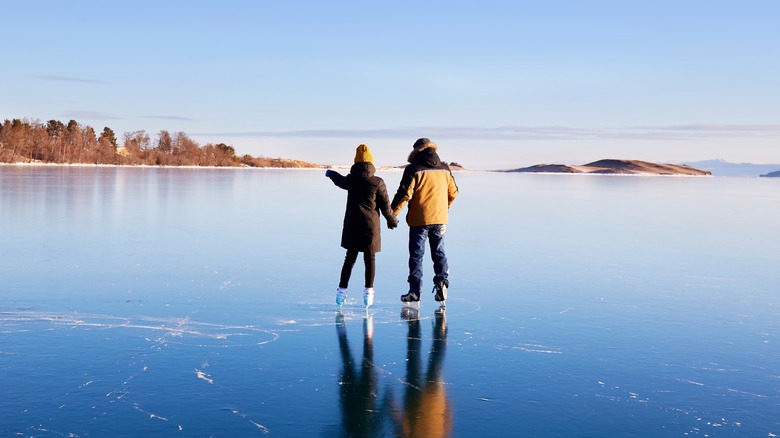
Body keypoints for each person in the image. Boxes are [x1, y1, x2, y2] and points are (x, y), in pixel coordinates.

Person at [326, 144, 398, 308]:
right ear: (371, 163)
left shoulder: (351, 180)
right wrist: (392, 221)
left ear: (356, 162)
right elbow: (386, 207)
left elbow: (339, 181)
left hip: (352, 225)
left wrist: (329, 173)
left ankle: (341, 292)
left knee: (350, 259)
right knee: (370, 258)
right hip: (370, 227)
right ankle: (368, 293)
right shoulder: (377, 182)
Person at [391, 138, 458, 306]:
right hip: (440, 218)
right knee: (439, 252)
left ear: (416, 151)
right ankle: (441, 282)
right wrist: (444, 207)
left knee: (416, 256)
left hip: (419, 219)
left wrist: (392, 214)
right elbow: (454, 192)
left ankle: (415, 292)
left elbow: (404, 194)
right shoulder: (444, 168)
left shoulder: (413, 169)